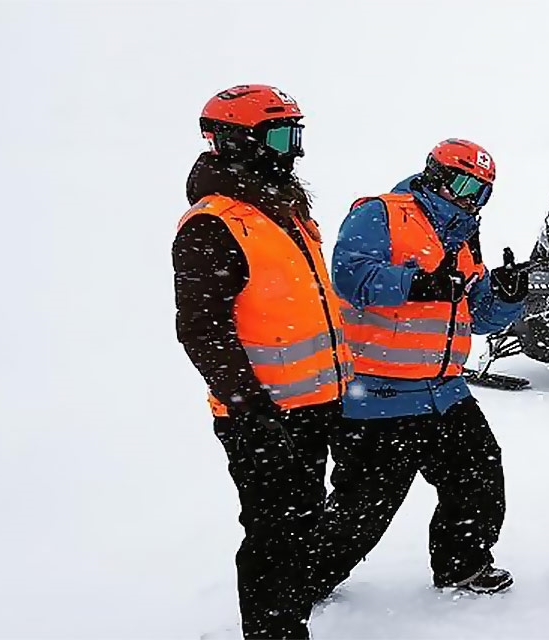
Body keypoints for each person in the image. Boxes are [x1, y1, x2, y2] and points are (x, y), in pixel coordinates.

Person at [308, 139, 528, 599]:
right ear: (436, 175)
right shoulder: (380, 213)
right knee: (364, 506)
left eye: (482, 191)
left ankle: (462, 565)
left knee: (479, 477)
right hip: (377, 394)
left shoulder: (464, 236)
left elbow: (475, 315)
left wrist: (506, 298)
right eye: (465, 185)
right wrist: (420, 283)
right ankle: (306, 581)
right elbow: (350, 277)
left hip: (445, 391)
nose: (471, 198)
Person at [173, 84, 353, 639]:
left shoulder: (284, 209)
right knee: (276, 533)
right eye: (279, 137)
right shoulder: (214, 223)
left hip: (315, 404)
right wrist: (251, 411)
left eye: (295, 135)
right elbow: (202, 329)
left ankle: (290, 617)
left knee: (302, 523)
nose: (293, 151)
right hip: (263, 414)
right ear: (236, 141)